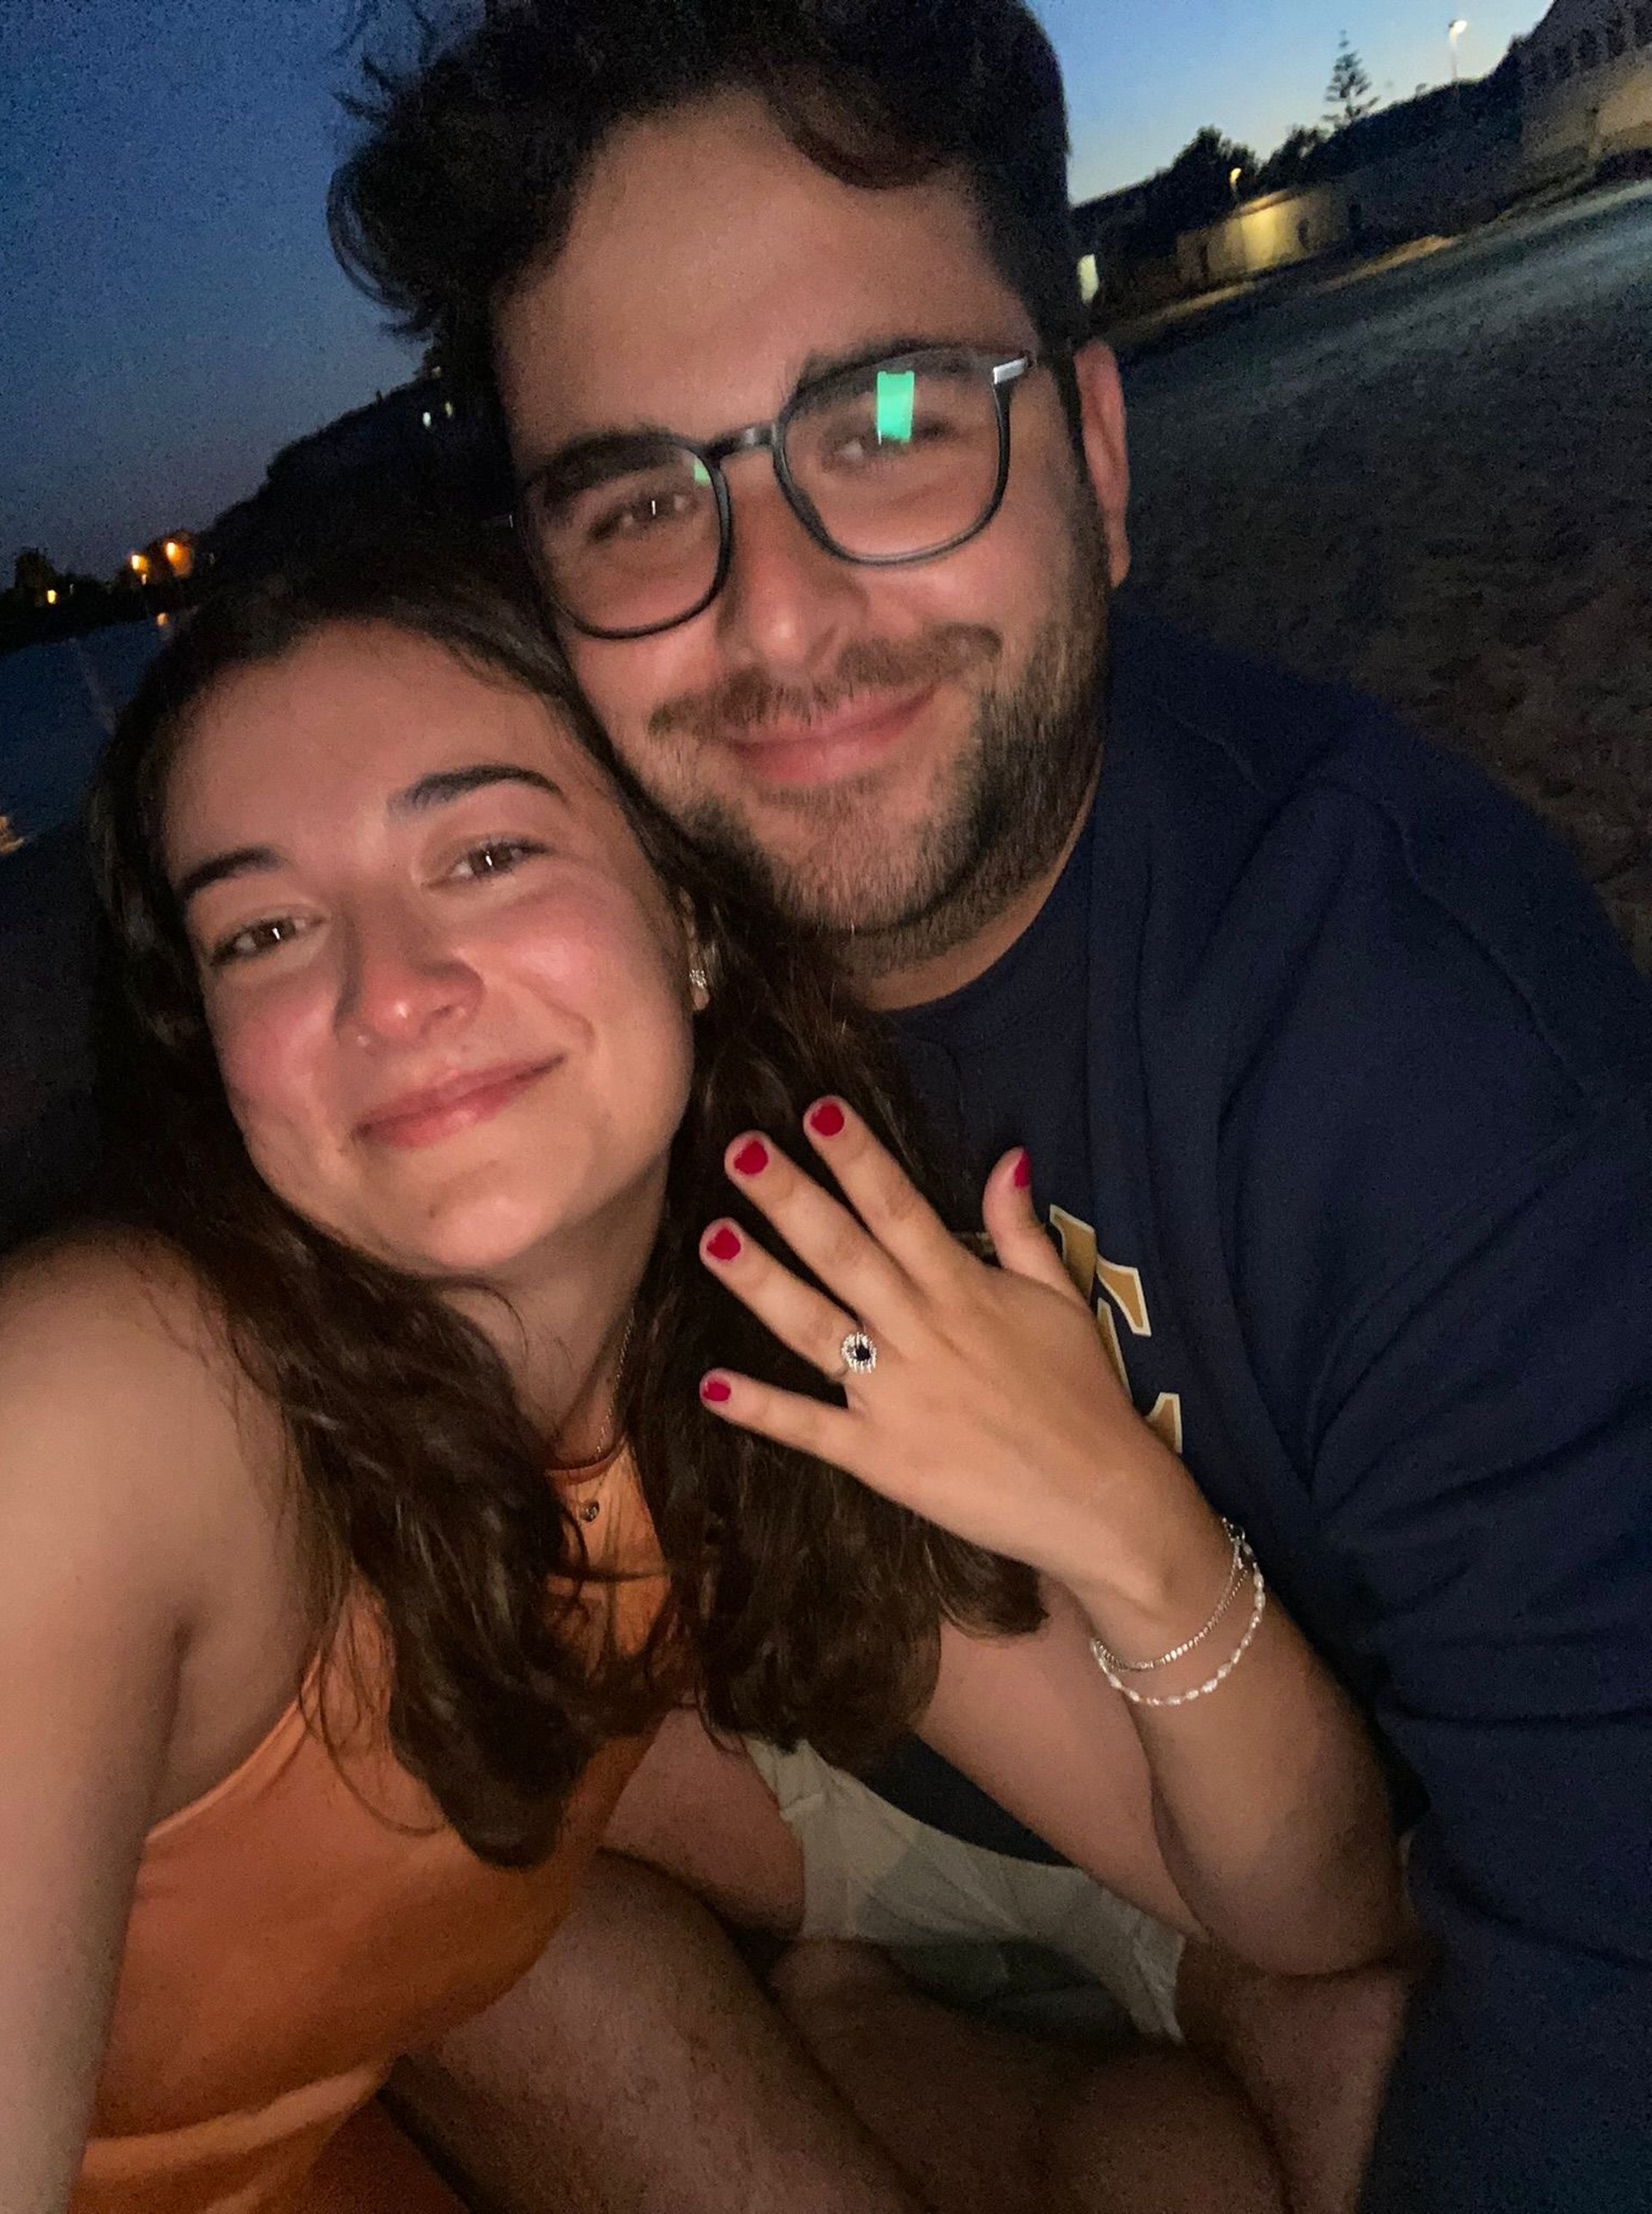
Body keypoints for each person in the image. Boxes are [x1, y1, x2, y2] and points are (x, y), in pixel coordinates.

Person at [330, 3, 1652, 2210]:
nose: (775, 611)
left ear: (1103, 462)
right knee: (366, 1868)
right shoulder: (580, 947)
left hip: (1299, 1878)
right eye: (644, 501)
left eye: (888, 419)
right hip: (829, 1779)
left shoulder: (1434, 1058)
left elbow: (1604, 1969)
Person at [0, 532, 1406, 2214]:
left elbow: (1306, 1909)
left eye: (487, 849)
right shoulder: (110, 1406)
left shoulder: (733, 1357)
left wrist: (1129, 1523)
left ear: (691, 918)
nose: (388, 989)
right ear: (207, 1054)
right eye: (267, 930)